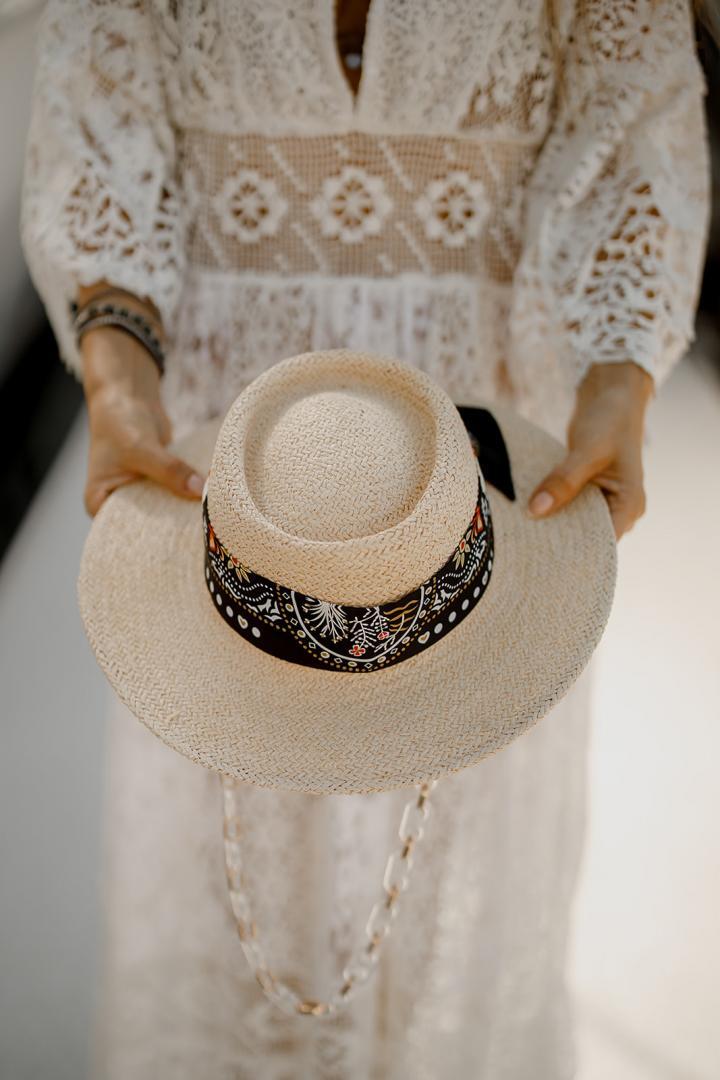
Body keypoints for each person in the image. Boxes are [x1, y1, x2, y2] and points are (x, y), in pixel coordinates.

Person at [20, 1, 709, 1077]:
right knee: (228, 805)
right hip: (233, 447)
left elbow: (637, 127)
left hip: (465, 450)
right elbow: (95, 124)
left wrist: (618, 380)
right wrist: (119, 383)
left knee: (460, 839)